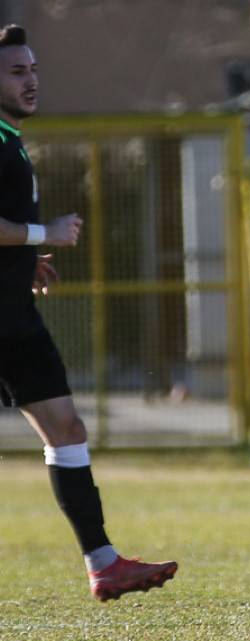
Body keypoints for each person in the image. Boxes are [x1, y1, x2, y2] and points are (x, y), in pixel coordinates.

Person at [0, 25, 177, 601]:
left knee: (67, 430)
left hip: (14, 316)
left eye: (32, 69)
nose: (31, 80)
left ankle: (103, 564)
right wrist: (39, 232)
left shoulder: (9, 138)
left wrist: (26, 256)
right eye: (16, 71)